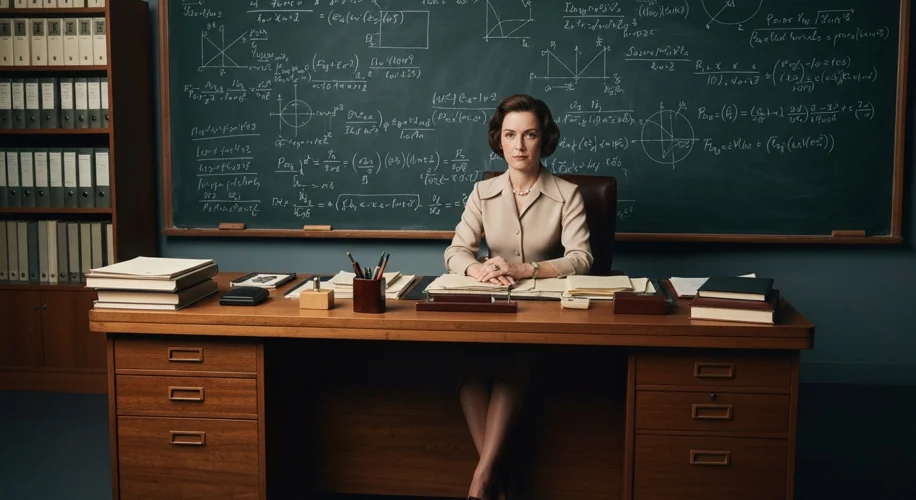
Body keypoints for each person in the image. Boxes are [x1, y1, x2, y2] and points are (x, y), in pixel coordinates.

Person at [443, 94, 593, 500]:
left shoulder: (568, 194)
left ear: (544, 140)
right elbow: (455, 251)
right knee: (468, 370)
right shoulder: (483, 191)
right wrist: (478, 268)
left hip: (543, 311)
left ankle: (482, 481)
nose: (520, 145)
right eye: (510, 135)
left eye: (529, 135)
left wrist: (526, 269)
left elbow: (582, 257)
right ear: (499, 140)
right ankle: (495, 478)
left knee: (512, 364)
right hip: (491, 303)